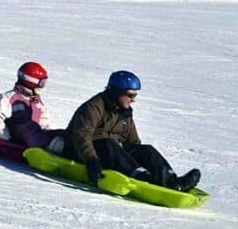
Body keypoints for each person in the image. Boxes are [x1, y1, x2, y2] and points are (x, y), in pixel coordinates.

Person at [62, 70, 201, 192]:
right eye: (130, 95)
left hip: (110, 153)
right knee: (108, 144)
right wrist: (91, 161)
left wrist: (143, 159)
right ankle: (140, 177)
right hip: (82, 152)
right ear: (116, 92)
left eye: (135, 96)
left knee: (146, 150)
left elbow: (133, 142)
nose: (133, 100)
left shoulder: (125, 112)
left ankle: (172, 182)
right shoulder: (94, 107)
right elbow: (81, 136)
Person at [0, 61, 65, 153]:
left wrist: (50, 133)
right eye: (42, 83)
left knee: (62, 133)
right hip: (18, 136)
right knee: (30, 126)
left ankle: (67, 148)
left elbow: (44, 123)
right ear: (30, 81)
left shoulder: (36, 101)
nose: (43, 86)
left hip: (35, 136)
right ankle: (48, 147)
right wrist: (8, 137)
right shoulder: (9, 97)